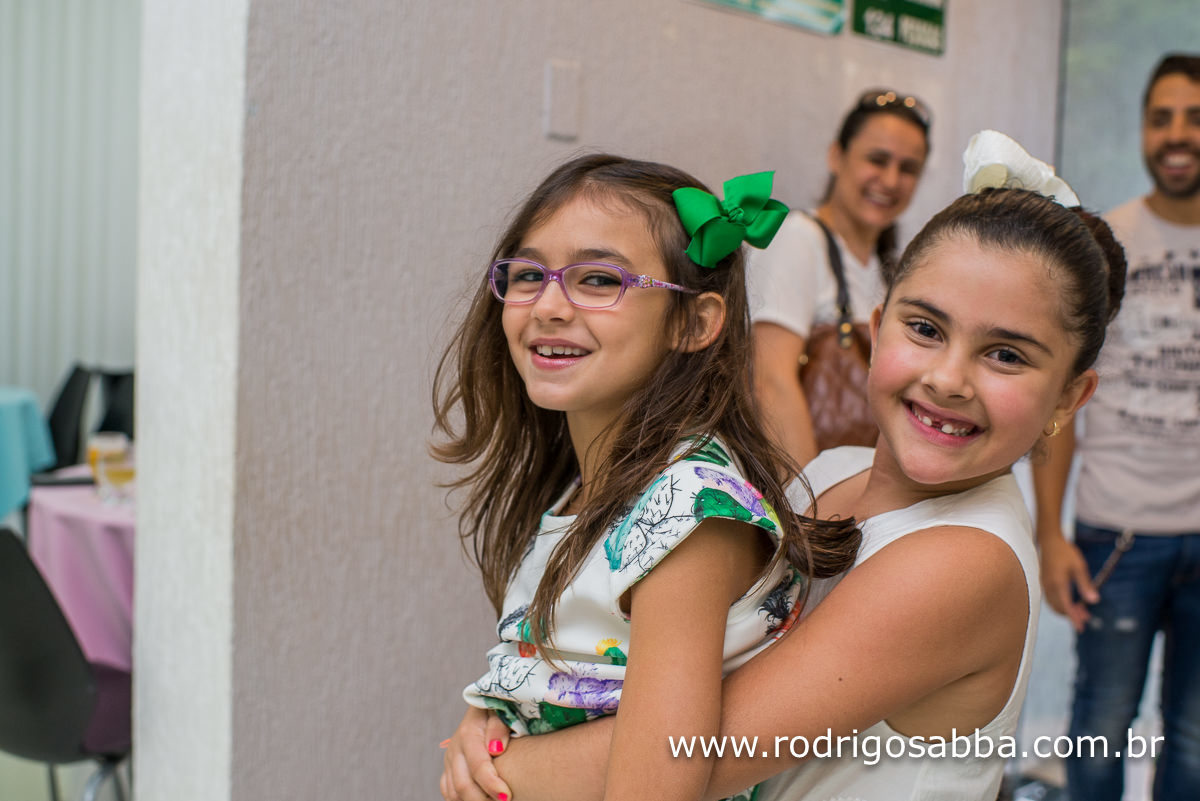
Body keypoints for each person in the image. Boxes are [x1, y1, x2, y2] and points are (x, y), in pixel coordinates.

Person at [440, 133, 1128, 801]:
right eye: (924, 328)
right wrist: (499, 708)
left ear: (1070, 397)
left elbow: (686, 756)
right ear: (877, 327)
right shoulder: (829, 474)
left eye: (1006, 355)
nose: (949, 378)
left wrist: (492, 760)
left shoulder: (964, 562)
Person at [431, 154, 860, 801]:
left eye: (599, 279)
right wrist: (489, 718)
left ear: (694, 322)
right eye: (529, 274)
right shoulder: (585, 486)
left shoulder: (690, 511)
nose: (549, 304)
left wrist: (509, 769)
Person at [1033, 53, 1200, 801]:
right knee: (1099, 729)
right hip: (1116, 533)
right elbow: (1065, 400)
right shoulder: (1107, 246)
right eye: (1161, 118)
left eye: (1194, 118)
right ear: (1142, 130)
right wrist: (1050, 533)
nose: (1177, 134)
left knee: (1194, 743)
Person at [750, 89, 930, 466]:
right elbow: (769, 383)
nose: (890, 180)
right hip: (807, 485)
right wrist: (809, 498)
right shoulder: (798, 238)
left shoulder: (889, 271)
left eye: (908, 169)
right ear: (837, 155)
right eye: (877, 160)